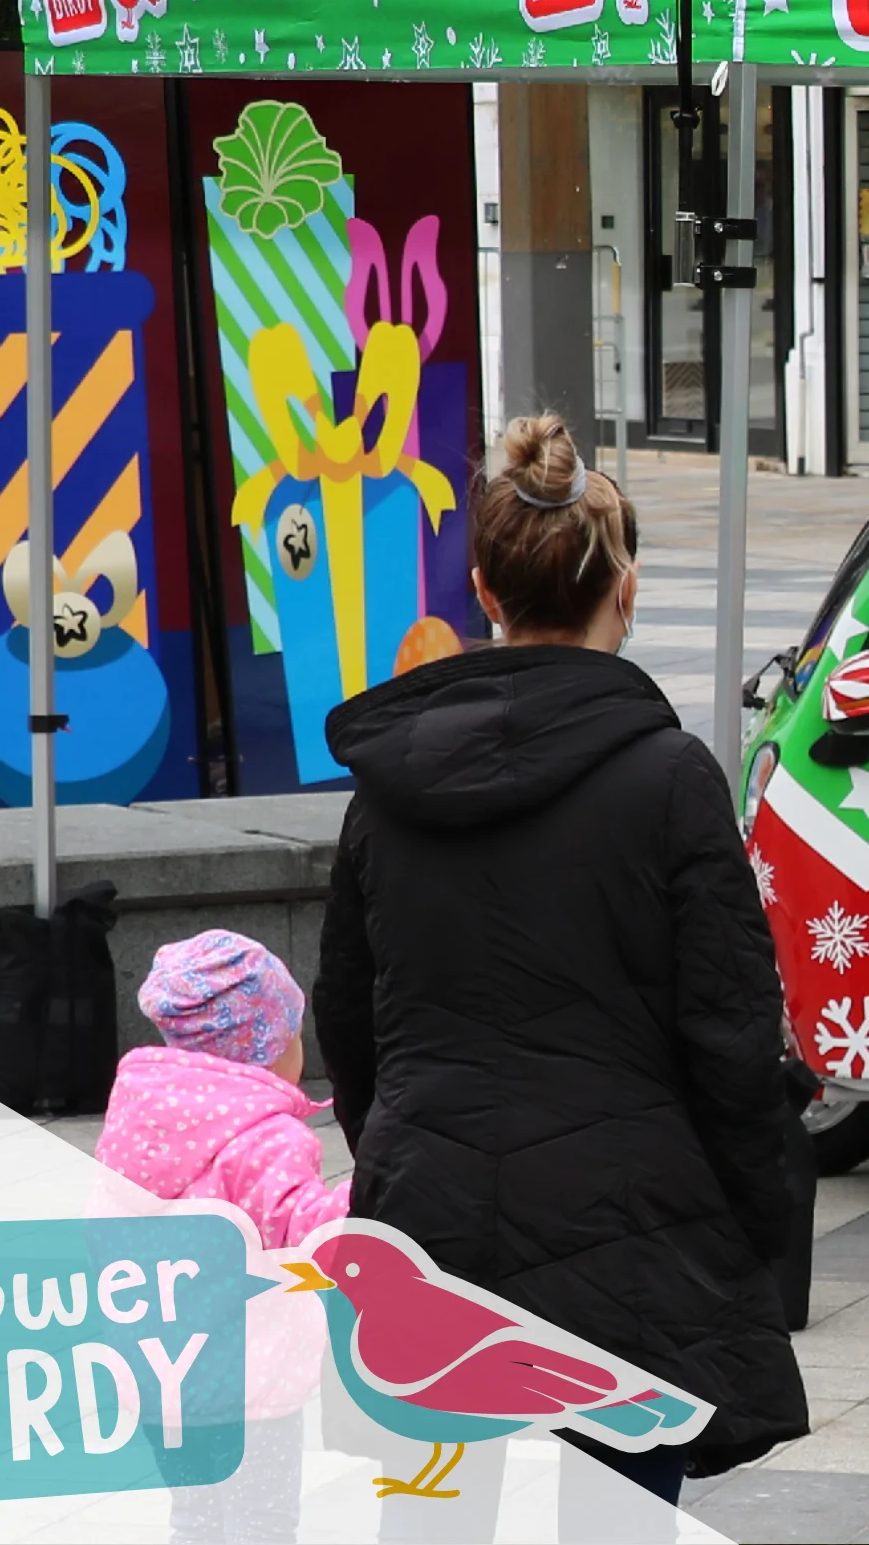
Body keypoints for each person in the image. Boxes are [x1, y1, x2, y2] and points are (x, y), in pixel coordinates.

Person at [312, 414, 807, 1514]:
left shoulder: (387, 791)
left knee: (430, 1517)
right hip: (630, 1220)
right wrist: (749, 1217)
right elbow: (731, 1031)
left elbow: (343, 1014)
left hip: (428, 1210)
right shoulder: (671, 779)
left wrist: (397, 1151)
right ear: (621, 591)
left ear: (484, 591)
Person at [96, 929, 346, 1544]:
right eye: (294, 1033)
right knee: (262, 1524)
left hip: (163, 1375)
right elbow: (316, 1241)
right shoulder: (265, 1139)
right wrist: (374, 1189)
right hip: (251, 1381)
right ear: (266, 1046)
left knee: (197, 1521)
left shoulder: (136, 1115)